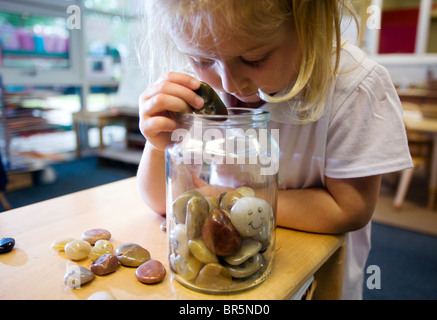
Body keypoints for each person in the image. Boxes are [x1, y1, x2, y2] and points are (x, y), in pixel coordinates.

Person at [136, 0, 413, 299]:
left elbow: (350, 209)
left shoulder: (354, 88)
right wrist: (158, 145)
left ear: (311, 26)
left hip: (318, 280)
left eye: (256, 58)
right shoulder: (203, 90)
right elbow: (164, 204)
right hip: (231, 281)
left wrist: (217, 195)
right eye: (201, 60)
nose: (229, 83)